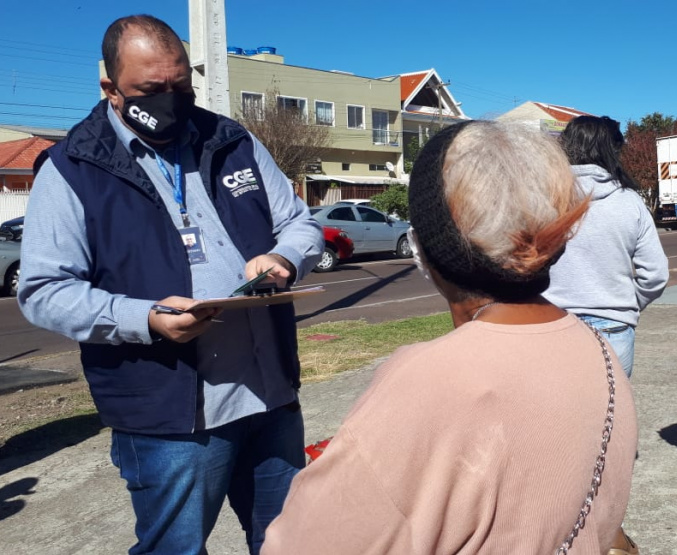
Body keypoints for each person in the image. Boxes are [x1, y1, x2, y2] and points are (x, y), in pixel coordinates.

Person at [17, 15, 323, 554]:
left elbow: (300, 222)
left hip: (270, 399)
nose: (169, 101)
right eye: (150, 91)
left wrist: (283, 257)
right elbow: (44, 290)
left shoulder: (232, 141)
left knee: (291, 544)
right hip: (168, 417)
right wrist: (145, 318)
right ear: (110, 88)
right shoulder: (70, 170)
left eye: (180, 87)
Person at [262, 121, 638, 554]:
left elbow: (301, 544)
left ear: (432, 247)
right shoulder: (599, 349)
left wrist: (351, 467)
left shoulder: (427, 378)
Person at [544, 115, 669, 378]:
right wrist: (623, 304)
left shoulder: (543, 199)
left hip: (551, 324)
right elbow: (655, 274)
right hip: (613, 328)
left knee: (556, 416)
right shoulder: (630, 202)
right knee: (611, 416)